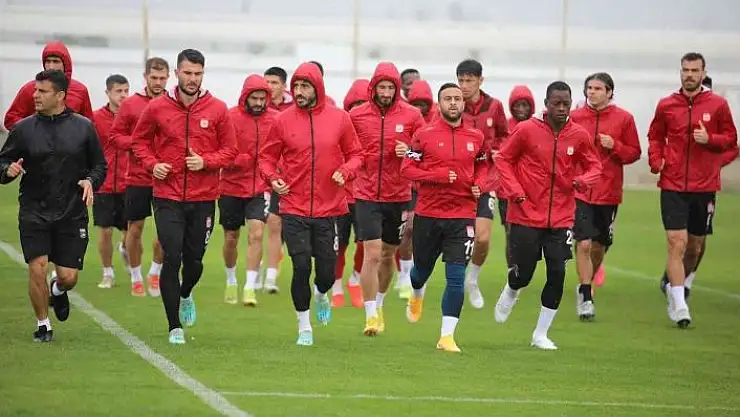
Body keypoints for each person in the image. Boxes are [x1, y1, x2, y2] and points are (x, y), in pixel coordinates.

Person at [131, 49, 238, 344]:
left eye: (197, 74)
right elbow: (139, 143)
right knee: (172, 256)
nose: (192, 79)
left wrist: (206, 161)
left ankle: (186, 293)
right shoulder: (157, 108)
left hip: (203, 198)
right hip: (167, 196)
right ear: (177, 73)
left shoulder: (218, 109)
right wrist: (153, 164)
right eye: (187, 73)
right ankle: (174, 326)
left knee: (194, 262)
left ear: (203, 74)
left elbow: (231, 151)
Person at [259, 62, 362, 346]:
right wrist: (273, 179)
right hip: (294, 207)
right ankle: (304, 326)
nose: (299, 92)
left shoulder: (340, 119)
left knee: (326, 273)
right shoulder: (282, 121)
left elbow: (357, 154)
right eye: (296, 86)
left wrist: (346, 171)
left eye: (305, 86)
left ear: (317, 87)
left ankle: (321, 294)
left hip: (330, 210)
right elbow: (266, 158)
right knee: (301, 265)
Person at [493, 81, 601, 350]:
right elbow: (503, 159)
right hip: (526, 214)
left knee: (557, 272)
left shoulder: (579, 135)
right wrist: (515, 190)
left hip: (561, 217)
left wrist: (584, 180)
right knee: (524, 274)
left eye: (566, 103)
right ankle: (512, 288)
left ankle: (540, 334)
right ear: (546, 103)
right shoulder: (526, 130)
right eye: (557, 103)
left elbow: (595, 166)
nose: (562, 108)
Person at [0, 69, 107, 342]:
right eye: (35, 90)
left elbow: (99, 165)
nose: (35, 95)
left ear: (60, 96)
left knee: (69, 277)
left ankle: (58, 290)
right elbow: (3, 161)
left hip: (72, 212)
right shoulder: (23, 129)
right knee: (37, 266)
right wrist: (7, 170)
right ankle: (43, 324)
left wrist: (90, 181)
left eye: (42, 91)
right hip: (34, 210)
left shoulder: (84, 127)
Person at [648, 52, 737, 328]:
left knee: (694, 247)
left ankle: (676, 284)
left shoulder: (718, 105)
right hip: (672, 184)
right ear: (680, 72)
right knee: (677, 242)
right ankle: (679, 304)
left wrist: (710, 139)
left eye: (694, 70)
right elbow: (655, 136)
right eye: (685, 70)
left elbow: (731, 140)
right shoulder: (666, 105)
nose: (689, 74)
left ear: (703, 73)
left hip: (704, 186)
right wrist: (656, 160)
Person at [401, 82, 487, 352]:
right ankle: (416, 292)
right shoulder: (423, 135)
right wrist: (436, 176)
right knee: (421, 272)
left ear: (463, 103)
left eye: (457, 98)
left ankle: (446, 336)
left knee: (456, 277)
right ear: (439, 105)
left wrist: (480, 184)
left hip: (462, 216)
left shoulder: (476, 137)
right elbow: (407, 168)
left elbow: (484, 166)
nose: (453, 103)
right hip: (428, 215)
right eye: (447, 98)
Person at [350, 62, 425, 336]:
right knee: (371, 253)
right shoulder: (356, 116)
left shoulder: (412, 115)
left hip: (399, 194)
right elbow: (345, 149)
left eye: (390, 87)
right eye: (381, 87)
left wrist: (409, 153)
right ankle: (370, 316)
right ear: (373, 87)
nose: (385, 92)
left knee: (387, 254)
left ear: (396, 89)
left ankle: (379, 304)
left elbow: (426, 153)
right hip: (366, 194)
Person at [570, 73, 641, 321]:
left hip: (608, 192)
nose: (592, 92)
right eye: (589, 88)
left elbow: (634, 152)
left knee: (599, 246)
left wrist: (615, 146)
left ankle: (587, 281)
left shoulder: (624, 118)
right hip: (580, 190)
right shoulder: (575, 117)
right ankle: (585, 295)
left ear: (609, 92)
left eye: (598, 88)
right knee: (583, 243)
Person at [110, 57, 170, 297]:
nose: (158, 82)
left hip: (167, 178)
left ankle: (155, 271)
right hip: (137, 177)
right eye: (153, 77)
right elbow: (115, 137)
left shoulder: (173, 104)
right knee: (134, 229)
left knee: (167, 230)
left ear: (169, 78)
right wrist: (139, 144)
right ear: (145, 77)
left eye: (162, 78)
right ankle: (135, 276)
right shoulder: (130, 104)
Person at [221, 74, 278, 306]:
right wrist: (238, 160)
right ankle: (231, 279)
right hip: (231, 187)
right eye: (254, 98)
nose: (258, 103)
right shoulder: (230, 117)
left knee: (256, 234)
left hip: (260, 187)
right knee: (231, 238)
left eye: (262, 98)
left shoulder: (275, 119)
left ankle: (249, 287)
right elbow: (219, 151)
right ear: (245, 97)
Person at [456, 59, 509, 309]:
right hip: (458, 181)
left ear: (480, 81)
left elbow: (504, 135)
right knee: (456, 237)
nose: (464, 86)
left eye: (469, 80)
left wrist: (500, 151)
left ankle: (472, 279)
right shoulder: (452, 104)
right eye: (461, 80)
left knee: (483, 238)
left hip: (487, 180)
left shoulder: (494, 106)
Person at [333, 78, 371, 308]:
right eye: (354, 105)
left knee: (365, 242)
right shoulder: (339, 128)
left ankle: (355, 279)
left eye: (363, 104)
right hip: (341, 195)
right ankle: (336, 285)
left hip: (366, 195)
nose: (358, 110)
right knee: (339, 244)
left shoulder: (375, 130)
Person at [92, 74, 132, 289]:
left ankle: (125, 248)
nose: (123, 95)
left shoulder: (134, 117)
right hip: (104, 184)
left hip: (129, 183)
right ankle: (108, 273)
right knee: (105, 231)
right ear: (108, 93)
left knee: (131, 232)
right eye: (118, 91)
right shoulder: (96, 118)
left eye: (126, 91)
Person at [4, 40, 93, 130]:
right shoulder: (30, 89)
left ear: (65, 64)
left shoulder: (80, 90)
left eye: (56, 61)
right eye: (48, 61)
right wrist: (34, 132)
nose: (51, 66)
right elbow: (10, 119)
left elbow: (90, 125)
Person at [501, 84, 536, 270]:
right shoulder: (505, 127)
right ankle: (511, 272)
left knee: (530, 234)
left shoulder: (539, 127)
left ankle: (524, 267)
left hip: (533, 189)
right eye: (517, 105)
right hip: (506, 190)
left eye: (525, 105)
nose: (521, 109)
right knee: (510, 232)